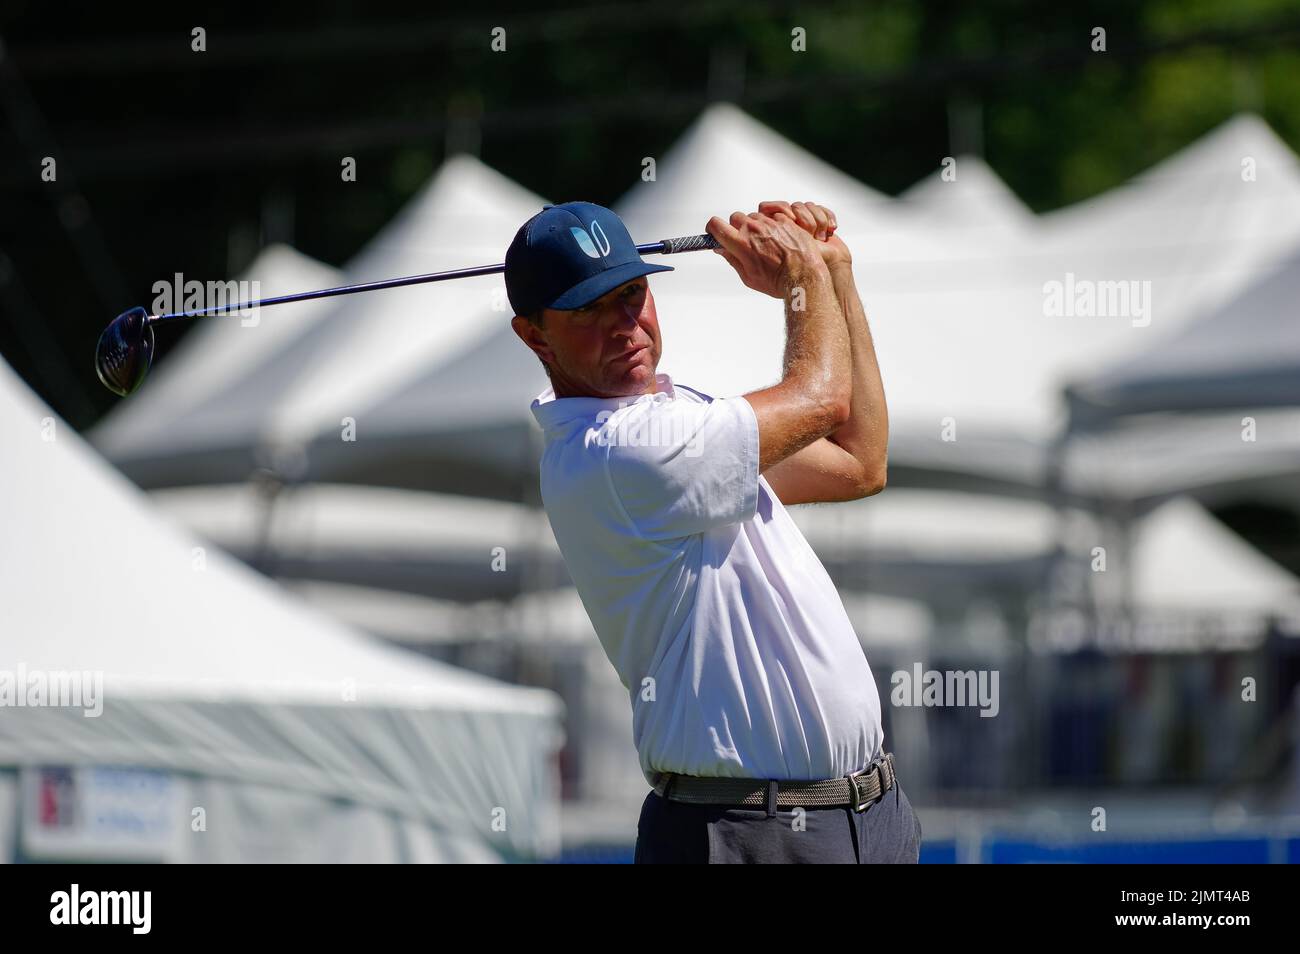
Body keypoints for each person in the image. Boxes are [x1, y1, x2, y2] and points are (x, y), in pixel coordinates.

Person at [507, 200, 920, 863]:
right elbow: (822, 398)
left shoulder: (677, 417)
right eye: (588, 309)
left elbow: (858, 463)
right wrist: (800, 281)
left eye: (632, 293)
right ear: (534, 336)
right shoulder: (614, 451)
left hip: (869, 817)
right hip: (741, 832)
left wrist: (835, 273)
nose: (624, 323)